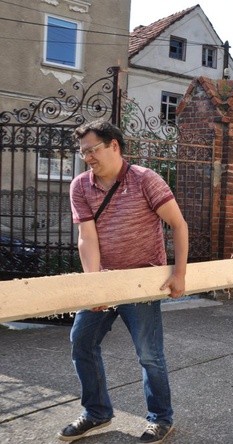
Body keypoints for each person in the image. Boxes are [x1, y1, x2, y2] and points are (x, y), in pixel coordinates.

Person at [59, 120, 189, 443]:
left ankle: (161, 418)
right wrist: (95, 286)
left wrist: (180, 273)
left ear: (114, 146)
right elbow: (86, 238)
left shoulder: (146, 180)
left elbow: (178, 224)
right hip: (105, 279)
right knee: (82, 341)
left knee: (149, 354)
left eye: (92, 150)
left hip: (143, 284)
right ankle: (97, 411)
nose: (87, 157)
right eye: (82, 151)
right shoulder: (80, 186)